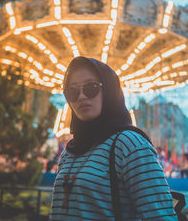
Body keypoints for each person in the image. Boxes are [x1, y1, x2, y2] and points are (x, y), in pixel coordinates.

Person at [49, 56, 177, 220]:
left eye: (91, 88)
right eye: (73, 91)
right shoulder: (69, 151)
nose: (81, 96)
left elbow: (159, 215)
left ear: (109, 90)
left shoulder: (130, 145)